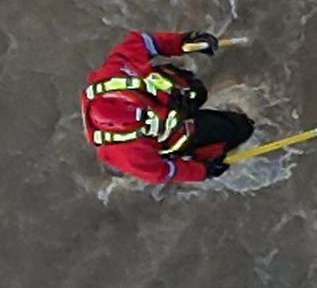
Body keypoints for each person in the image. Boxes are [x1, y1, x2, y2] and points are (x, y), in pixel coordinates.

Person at [83, 33, 259, 187]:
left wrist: (183, 40)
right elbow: (164, 171)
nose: (148, 117)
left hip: (170, 97)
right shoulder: (126, 152)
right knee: (240, 129)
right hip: (177, 134)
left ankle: (195, 102)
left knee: (197, 92)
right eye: (144, 121)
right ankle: (221, 140)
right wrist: (203, 171)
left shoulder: (114, 72)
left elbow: (144, 42)